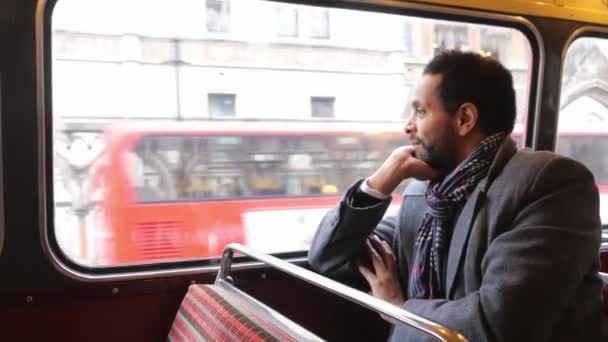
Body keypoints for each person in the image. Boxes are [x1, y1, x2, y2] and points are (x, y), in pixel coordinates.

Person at [308, 51, 608, 341]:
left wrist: (400, 310)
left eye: (421, 111)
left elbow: (499, 325)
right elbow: (328, 258)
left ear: (465, 118)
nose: (408, 125)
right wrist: (381, 182)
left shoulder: (549, 185)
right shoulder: (424, 194)